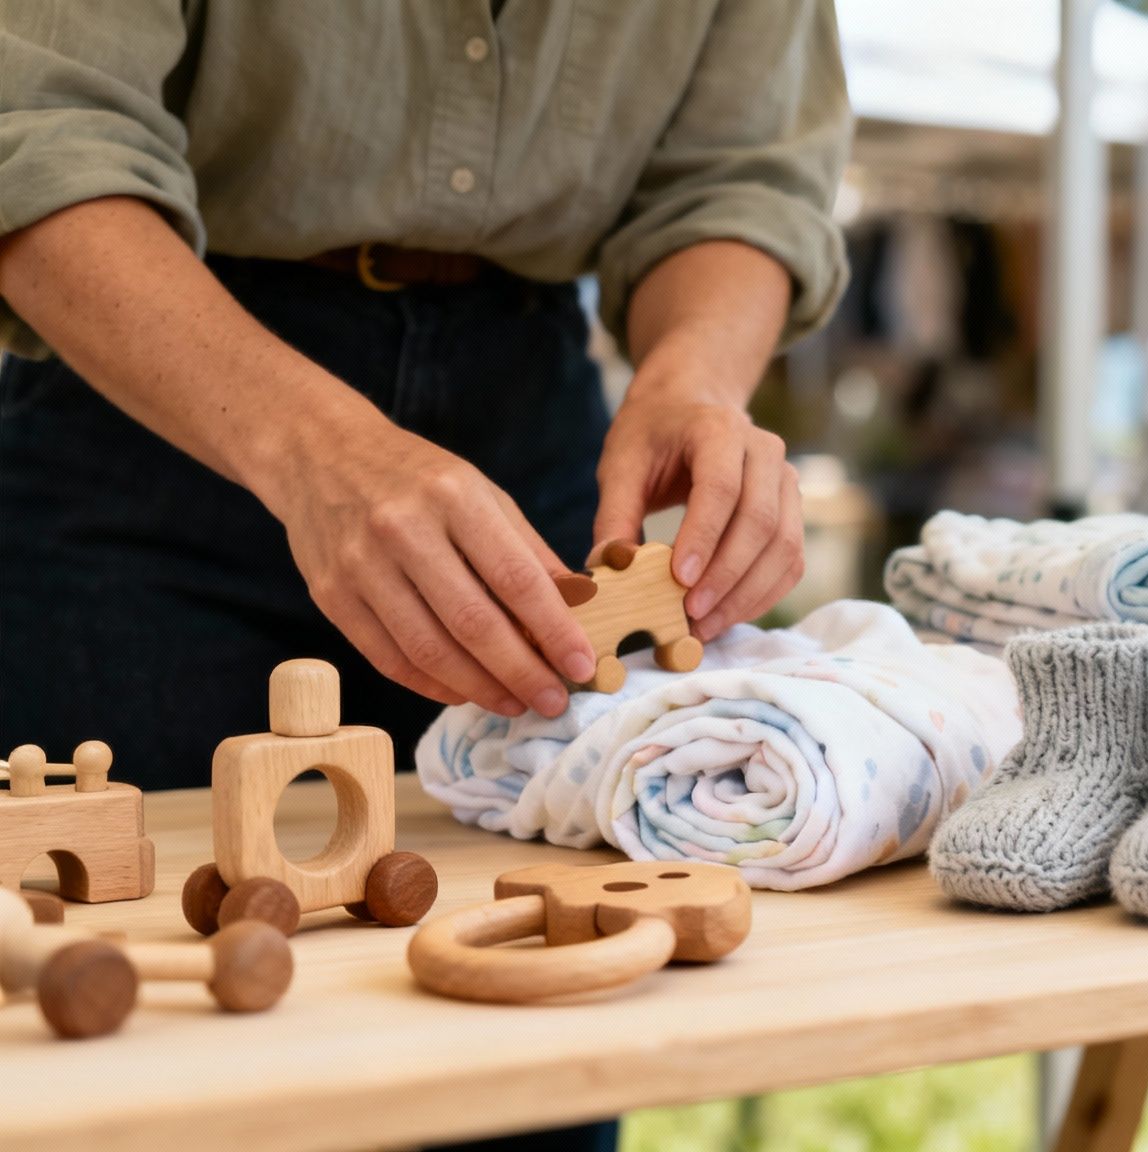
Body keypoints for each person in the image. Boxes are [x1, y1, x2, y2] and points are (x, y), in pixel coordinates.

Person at [0, 3, 849, 807]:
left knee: (519, 863)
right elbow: (40, 130)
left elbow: (745, 179)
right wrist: (317, 448)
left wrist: (693, 376)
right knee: (123, 904)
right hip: (159, 387)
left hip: (529, 398)